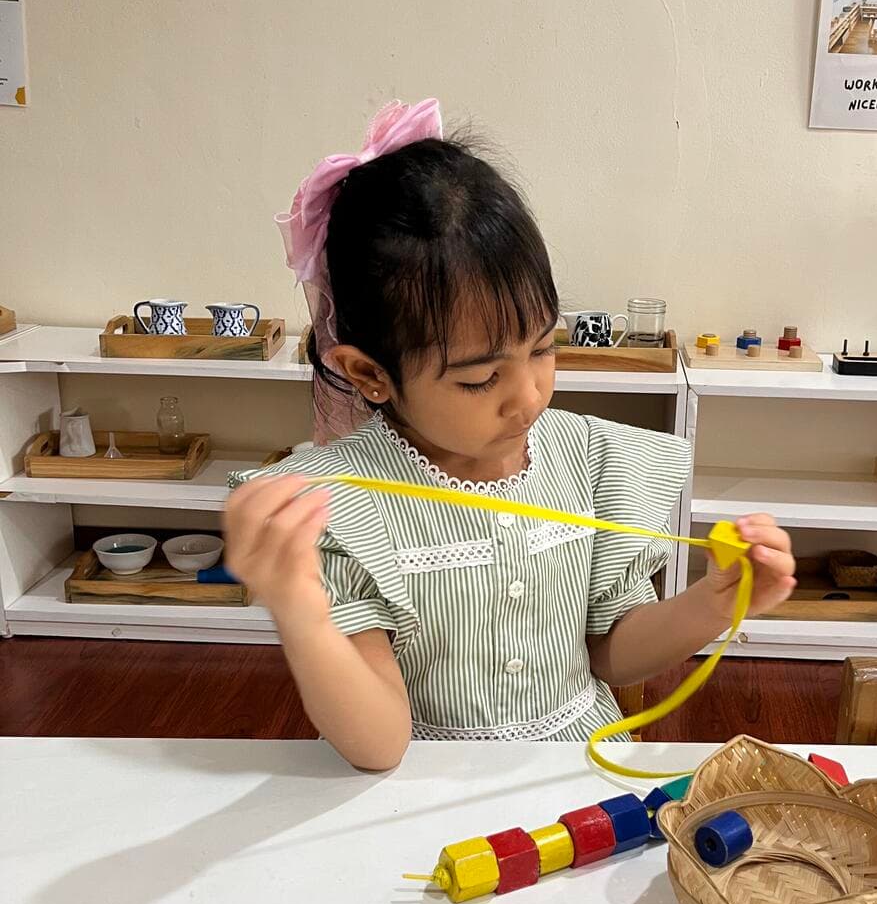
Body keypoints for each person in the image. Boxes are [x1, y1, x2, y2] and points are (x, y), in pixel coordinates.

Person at [224, 100, 796, 770]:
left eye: (542, 348)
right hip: (424, 791)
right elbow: (379, 744)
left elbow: (611, 649)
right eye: (478, 379)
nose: (527, 395)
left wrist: (713, 603)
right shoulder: (345, 507)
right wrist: (299, 607)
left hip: (577, 774)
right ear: (369, 374)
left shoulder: (586, 460)